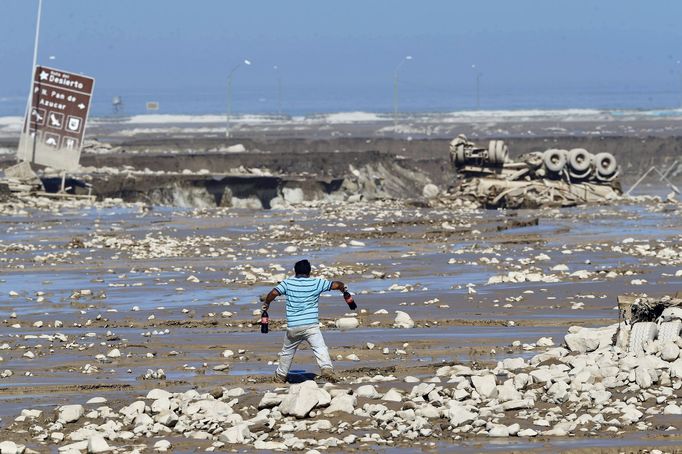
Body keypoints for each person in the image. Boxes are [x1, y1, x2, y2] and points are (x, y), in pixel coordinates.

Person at [261, 259, 353, 383]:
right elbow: (336, 284)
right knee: (320, 348)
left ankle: (280, 376)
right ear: (309, 272)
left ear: (295, 271)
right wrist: (343, 289)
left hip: (294, 325)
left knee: (287, 352)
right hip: (311, 325)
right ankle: (326, 369)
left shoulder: (288, 283)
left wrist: (267, 303)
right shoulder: (316, 283)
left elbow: (273, 293)